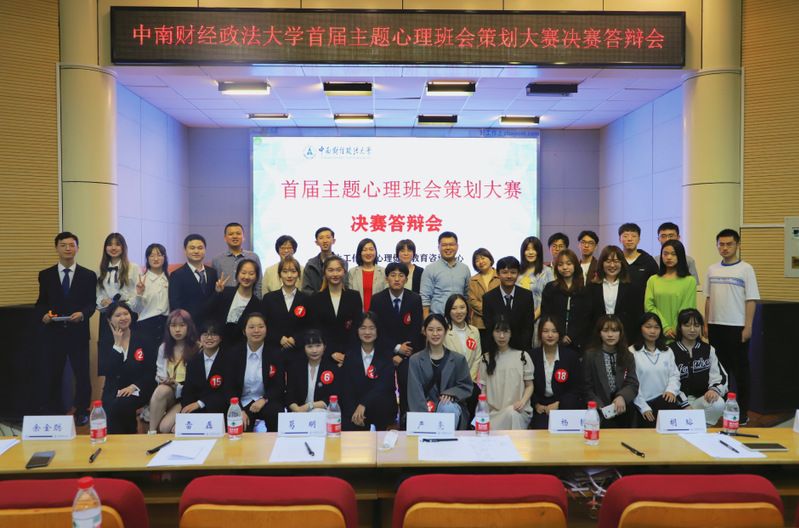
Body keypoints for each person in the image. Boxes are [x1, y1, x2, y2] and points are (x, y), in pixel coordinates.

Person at [35, 232, 97, 422]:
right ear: (57, 248)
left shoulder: (88, 275)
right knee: (53, 372)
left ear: (77, 248)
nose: (68, 249)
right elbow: (41, 303)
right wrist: (43, 315)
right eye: (63, 245)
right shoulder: (45, 275)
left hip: (78, 332)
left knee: (82, 373)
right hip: (53, 333)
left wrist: (83, 314)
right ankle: (54, 409)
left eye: (71, 245)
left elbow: (91, 303)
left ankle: (82, 410)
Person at [705, 228, 760, 426]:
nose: (725, 248)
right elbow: (708, 299)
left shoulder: (746, 269)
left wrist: (748, 326)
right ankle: (720, 410)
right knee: (719, 372)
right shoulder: (712, 269)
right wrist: (706, 324)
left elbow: (751, 300)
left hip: (737, 327)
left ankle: (742, 413)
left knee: (740, 372)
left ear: (737, 245)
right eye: (721, 244)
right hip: (715, 326)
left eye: (729, 244)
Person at [369, 262, 424, 421]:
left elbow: (416, 330)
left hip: (408, 354)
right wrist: (395, 349)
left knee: (407, 379)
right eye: (393, 275)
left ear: (406, 279)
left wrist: (403, 354)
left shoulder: (414, 299)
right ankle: (387, 418)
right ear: (386, 279)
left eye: (401, 275)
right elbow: (376, 330)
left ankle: (407, 418)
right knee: (384, 383)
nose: (397, 279)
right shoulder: (377, 299)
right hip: (384, 351)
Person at [407, 314, 473, 430]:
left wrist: (451, 393)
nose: (435, 334)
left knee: (447, 407)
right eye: (431, 330)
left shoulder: (458, 359)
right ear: (424, 331)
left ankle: (446, 441)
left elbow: (466, 386)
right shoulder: (415, 360)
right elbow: (415, 393)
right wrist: (425, 419)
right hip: (424, 409)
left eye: (439, 329)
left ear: (446, 331)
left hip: (451, 409)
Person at [101, 301, 156, 434]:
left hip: (139, 387)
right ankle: (119, 441)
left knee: (121, 404)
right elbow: (109, 371)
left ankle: (128, 436)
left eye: (126, 314)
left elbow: (151, 371)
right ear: (109, 320)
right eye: (118, 315)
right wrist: (117, 344)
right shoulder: (106, 341)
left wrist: (133, 387)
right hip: (114, 389)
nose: (123, 318)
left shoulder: (144, 339)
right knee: (111, 407)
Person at [225, 312, 284, 432]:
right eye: (251, 327)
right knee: (239, 424)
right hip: (242, 402)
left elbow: (279, 385)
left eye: (261, 326)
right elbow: (229, 386)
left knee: (275, 413)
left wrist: (264, 399)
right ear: (244, 331)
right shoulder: (234, 354)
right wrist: (238, 409)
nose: (256, 330)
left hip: (266, 401)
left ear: (266, 330)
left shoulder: (275, 354)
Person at [670, 308, 729, 426]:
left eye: (696, 325)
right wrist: (684, 404)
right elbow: (667, 381)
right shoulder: (670, 350)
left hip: (700, 400)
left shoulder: (708, 349)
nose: (692, 330)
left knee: (718, 404)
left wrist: (713, 390)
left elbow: (720, 376)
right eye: (687, 325)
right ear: (680, 327)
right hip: (677, 402)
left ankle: (702, 429)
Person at [341, 313, 398, 430]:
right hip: (356, 413)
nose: (367, 332)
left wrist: (363, 404)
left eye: (371, 328)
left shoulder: (386, 355)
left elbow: (383, 386)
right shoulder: (350, 356)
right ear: (357, 330)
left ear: (378, 331)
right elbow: (347, 389)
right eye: (363, 328)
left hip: (380, 410)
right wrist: (354, 413)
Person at [477, 318, 534, 430]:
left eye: (506, 331)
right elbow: (483, 389)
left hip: (518, 411)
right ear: (492, 333)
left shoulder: (522, 356)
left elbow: (529, 385)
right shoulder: (485, 359)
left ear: (511, 333)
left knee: (512, 414)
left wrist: (522, 402)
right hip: (494, 414)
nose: (501, 336)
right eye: (497, 331)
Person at [583, 315, 639, 428]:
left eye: (614, 330)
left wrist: (622, 397)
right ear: (599, 333)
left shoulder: (628, 355)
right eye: (605, 330)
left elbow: (632, 383)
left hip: (622, 408)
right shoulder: (590, 356)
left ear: (620, 333)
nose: (610, 335)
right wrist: (600, 406)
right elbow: (586, 387)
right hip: (599, 409)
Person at [96, 233, 140, 376]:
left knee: (129, 353)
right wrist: (102, 301)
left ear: (123, 247)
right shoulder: (101, 269)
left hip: (126, 316)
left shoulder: (133, 267)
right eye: (110, 244)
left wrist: (120, 304)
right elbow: (98, 294)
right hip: (108, 317)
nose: (113, 248)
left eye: (117, 244)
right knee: (109, 354)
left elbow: (137, 293)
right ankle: (110, 386)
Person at [630, 313, 685, 427]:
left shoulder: (667, 351)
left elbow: (674, 375)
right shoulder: (632, 351)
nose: (652, 331)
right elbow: (631, 383)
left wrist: (671, 390)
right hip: (641, 403)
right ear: (640, 328)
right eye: (648, 327)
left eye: (656, 327)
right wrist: (643, 407)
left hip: (664, 400)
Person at [148, 309, 199, 434]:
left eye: (182, 325)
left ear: (189, 327)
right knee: (161, 389)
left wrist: (177, 385)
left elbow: (197, 382)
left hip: (187, 396)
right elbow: (159, 374)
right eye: (173, 325)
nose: (177, 330)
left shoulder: (198, 347)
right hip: (169, 392)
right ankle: (151, 433)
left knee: (164, 428)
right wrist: (165, 380)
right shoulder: (164, 347)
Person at [529, 315, 583, 429]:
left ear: (559, 334)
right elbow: (527, 385)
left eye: (554, 331)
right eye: (545, 331)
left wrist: (559, 404)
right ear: (540, 333)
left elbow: (577, 388)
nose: (550, 335)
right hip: (541, 406)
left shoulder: (571, 356)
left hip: (564, 405)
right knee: (541, 430)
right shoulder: (531, 356)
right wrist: (536, 404)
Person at [309, 256, 363, 366]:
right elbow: (316, 329)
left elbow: (357, 328)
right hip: (324, 356)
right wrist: (330, 352)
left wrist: (347, 355)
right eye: (330, 270)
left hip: (350, 356)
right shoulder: (315, 299)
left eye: (338, 270)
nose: (335, 274)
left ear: (344, 272)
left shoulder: (354, 297)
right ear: (324, 273)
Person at [260, 256, 311, 368]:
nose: (289, 275)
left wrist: (295, 339)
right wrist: (279, 338)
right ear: (279, 274)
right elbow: (264, 325)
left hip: (298, 353)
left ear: (298, 274)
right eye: (285, 271)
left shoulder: (306, 299)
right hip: (274, 351)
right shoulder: (269, 298)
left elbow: (309, 326)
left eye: (293, 271)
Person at [540, 249, 592, 352]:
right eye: (560, 264)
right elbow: (546, 314)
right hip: (554, 338)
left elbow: (586, 318)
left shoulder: (584, 290)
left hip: (578, 342)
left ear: (575, 265)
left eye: (569, 264)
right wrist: (561, 334)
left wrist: (572, 335)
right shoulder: (550, 288)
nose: (565, 267)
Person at [644, 240, 697, 340]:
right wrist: (665, 327)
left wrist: (677, 329)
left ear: (680, 256)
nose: (669, 257)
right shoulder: (653, 280)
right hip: (656, 331)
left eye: (673, 254)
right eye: (665, 254)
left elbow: (688, 308)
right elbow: (649, 306)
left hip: (680, 333)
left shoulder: (690, 281)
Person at [482, 256, 535, 353]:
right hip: (497, 350)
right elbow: (489, 327)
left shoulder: (526, 296)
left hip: (521, 350)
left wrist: (522, 351)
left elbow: (528, 326)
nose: (509, 276)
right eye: (505, 272)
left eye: (513, 272)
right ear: (498, 274)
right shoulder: (488, 298)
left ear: (518, 273)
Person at [588, 245, 641, 340]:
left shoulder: (632, 287)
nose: (612, 265)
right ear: (601, 263)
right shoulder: (591, 287)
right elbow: (588, 317)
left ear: (622, 263)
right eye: (608, 261)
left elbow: (635, 316)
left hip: (625, 337)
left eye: (616, 261)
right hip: (597, 337)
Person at [168, 234, 218, 327]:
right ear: (185, 250)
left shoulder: (212, 272)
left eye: (200, 248)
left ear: (205, 250)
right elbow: (175, 304)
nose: (196, 251)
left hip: (210, 326)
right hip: (189, 325)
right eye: (192, 248)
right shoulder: (177, 275)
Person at [210, 258, 261, 346]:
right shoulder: (225, 292)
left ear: (256, 277)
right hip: (217, 344)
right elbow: (209, 312)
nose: (246, 277)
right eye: (243, 273)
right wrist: (217, 293)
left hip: (240, 347)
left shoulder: (257, 304)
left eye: (251, 273)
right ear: (237, 275)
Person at [181, 320, 228, 415]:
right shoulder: (193, 361)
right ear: (199, 338)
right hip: (195, 411)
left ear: (220, 338)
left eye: (214, 334)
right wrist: (187, 408)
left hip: (220, 409)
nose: (209, 338)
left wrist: (200, 403)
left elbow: (228, 390)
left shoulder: (228, 360)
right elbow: (188, 390)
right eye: (205, 334)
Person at [286, 330, 340, 413]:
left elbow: (332, 396)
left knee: (317, 411)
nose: (314, 350)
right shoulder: (296, 367)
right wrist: (296, 409)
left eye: (318, 346)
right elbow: (290, 395)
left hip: (322, 411)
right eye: (310, 346)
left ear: (324, 347)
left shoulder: (332, 368)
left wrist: (309, 406)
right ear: (304, 348)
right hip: (299, 411)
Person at [420, 231, 470, 318]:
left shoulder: (465, 269)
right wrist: (426, 321)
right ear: (438, 247)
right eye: (444, 245)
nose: (448, 248)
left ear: (457, 246)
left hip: (460, 318)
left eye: (451, 244)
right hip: (438, 319)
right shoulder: (430, 269)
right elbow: (425, 299)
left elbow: (467, 296)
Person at [130, 243, 170, 352]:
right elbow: (136, 309)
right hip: (146, 327)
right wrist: (139, 294)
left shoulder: (170, 279)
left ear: (164, 258)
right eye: (152, 255)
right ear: (147, 259)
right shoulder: (141, 280)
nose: (155, 259)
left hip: (166, 326)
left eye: (159, 255)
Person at [517, 236, 554, 347]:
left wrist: (531, 318)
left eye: (534, 249)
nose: (530, 252)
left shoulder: (547, 272)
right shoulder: (518, 272)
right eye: (527, 249)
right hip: (518, 320)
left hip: (538, 321)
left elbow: (549, 299)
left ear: (539, 252)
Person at [211, 222, 263, 298]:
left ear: (243, 237)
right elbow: (214, 285)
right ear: (225, 238)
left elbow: (259, 283)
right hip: (224, 301)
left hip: (249, 300)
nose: (235, 236)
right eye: (231, 234)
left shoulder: (253, 257)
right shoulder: (217, 260)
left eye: (238, 233)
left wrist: (258, 301)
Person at [443, 294, 482, 382]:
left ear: (467, 309)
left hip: (471, 382)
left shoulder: (474, 331)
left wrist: (469, 380)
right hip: (450, 381)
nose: (459, 312)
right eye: (454, 308)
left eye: (462, 307)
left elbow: (477, 359)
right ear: (448, 311)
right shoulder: (444, 332)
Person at [467, 248, 499, 347]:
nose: (480, 262)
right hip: (480, 324)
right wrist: (489, 311)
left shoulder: (500, 276)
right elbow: (472, 301)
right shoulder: (473, 280)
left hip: (499, 322)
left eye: (483, 258)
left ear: (490, 259)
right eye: (477, 260)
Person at [618, 223, 659, 301]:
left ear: (639, 239)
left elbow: (656, 285)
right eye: (625, 236)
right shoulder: (616, 260)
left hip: (642, 305)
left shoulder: (648, 261)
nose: (629, 239)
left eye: (634, 236)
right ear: (620, 239)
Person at [302, 227, 347, 294]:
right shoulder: (310, 264)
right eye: (321, 238)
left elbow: (345, 286)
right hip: (316, 300)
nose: (325, 241)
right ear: (316, 242)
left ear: (333, 241)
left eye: (328, 237)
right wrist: (319, 298)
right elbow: (306, 290)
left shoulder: (343, 263)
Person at [347, 237, 387, 312]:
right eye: (364, 250)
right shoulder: (352, 272)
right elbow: (349, 296)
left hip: (379, 313)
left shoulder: (383, 272)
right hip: (357, 313)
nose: (368, 253)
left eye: (371, 249)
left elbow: (386, 296)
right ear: (360, 253)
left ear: (375, 252)